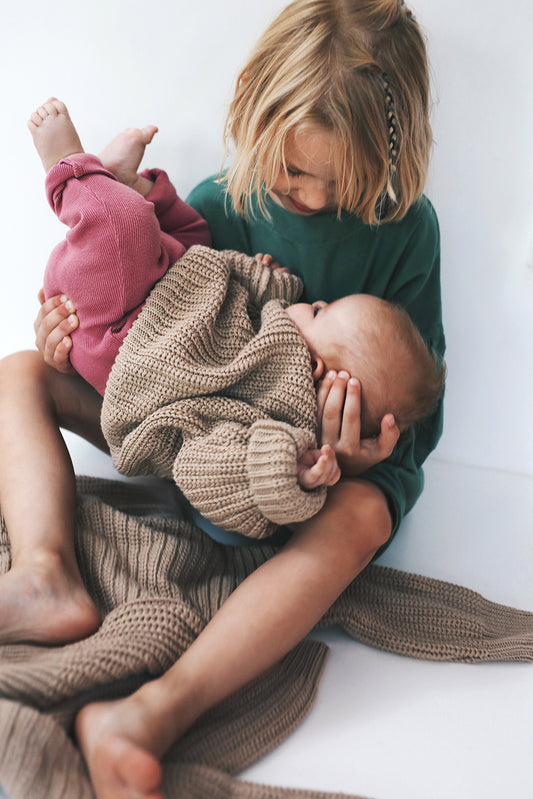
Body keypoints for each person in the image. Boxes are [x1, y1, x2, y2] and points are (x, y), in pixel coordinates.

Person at [14, 2, 445, 797]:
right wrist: (66, 334)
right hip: (186, 426)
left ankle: (149, 714)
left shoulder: (404, 234)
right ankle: (47, 575)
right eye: (290, 170)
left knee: (366, 513)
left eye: (335, 179)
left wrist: (362, 451)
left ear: (389, 154)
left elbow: (418, 397)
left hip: (321, 473)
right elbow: (144, 307)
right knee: (17, 373)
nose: (306, 195)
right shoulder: (227, 195)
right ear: (250, 104)